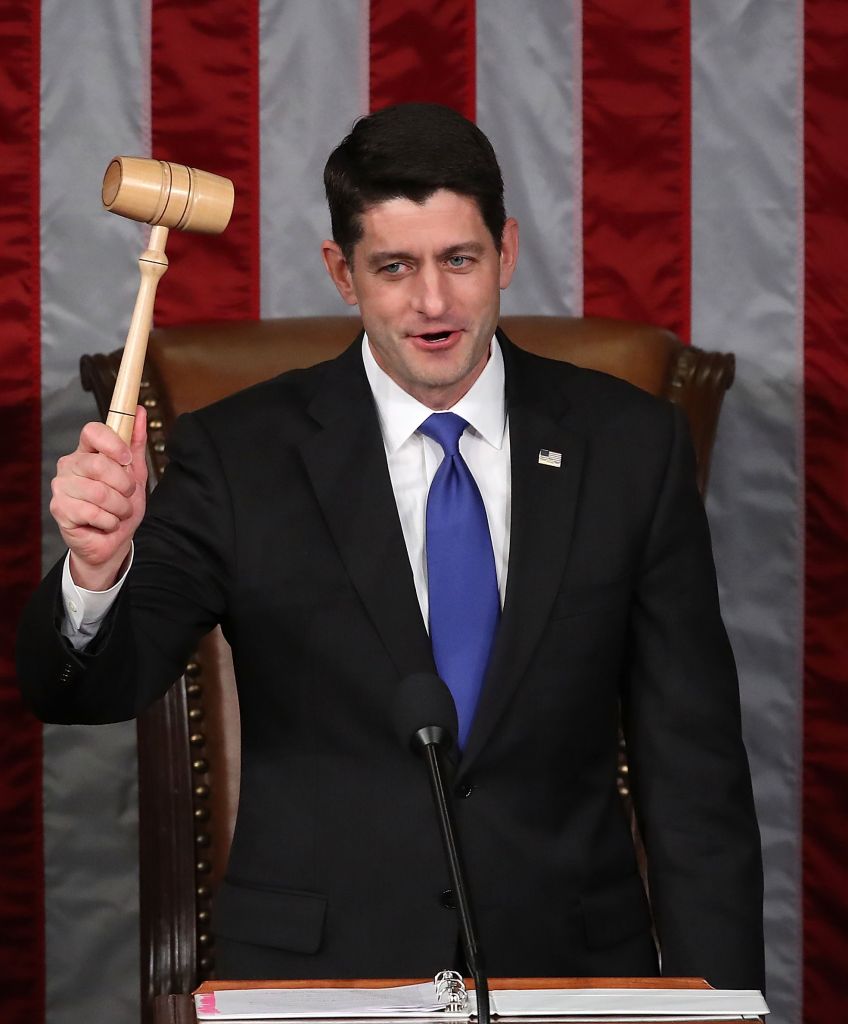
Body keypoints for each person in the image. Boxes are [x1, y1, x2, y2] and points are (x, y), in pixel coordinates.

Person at [17, 103, 764, 989]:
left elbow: (695, 770)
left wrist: (723, 1005)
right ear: (343, 273)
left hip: (569, 970)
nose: (434, 303)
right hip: (324, 976)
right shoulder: (241, 453)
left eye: (460, 260)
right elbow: (88, 689)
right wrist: (97, 573)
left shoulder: (632, 446)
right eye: (395, 268)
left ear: (507, 252)